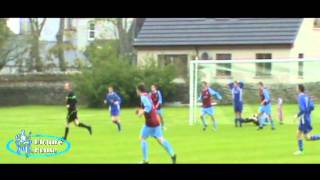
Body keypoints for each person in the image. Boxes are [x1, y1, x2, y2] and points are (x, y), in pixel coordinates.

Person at [136, 83, 176, 164]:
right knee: (160, 139)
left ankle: (145, 160)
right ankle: (173, 154)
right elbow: (149, 105)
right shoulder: (147, 95)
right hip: (156, 120)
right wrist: (141, 110)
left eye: (136, 90)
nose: (136, 91)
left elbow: (148, 107)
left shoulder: (143, 97)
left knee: (142, 138)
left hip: (150, 122)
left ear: (139, 90)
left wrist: (142, 112)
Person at [293, 84, 320, 155]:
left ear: (299, 89)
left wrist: (297, 115)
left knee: (307, 137)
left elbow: (303, 109)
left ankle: (300, 150)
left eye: (296, 87)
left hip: (304, 119)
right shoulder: (306, 96)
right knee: (298, 134)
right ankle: (300, 150)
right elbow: (312, 107)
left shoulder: (300, 97)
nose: (296, 89)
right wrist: (307, 113)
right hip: (306, 117)